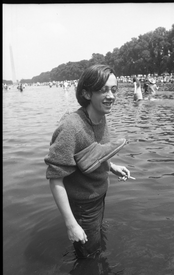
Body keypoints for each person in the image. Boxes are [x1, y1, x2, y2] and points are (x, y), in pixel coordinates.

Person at [44, 64, 132, 259]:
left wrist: (112, 167)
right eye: (103, 90)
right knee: (89, 256)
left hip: (99, 195)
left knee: (97, 244)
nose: (111, 96)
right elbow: (55, 179)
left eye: (113, 89)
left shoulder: (101, 116)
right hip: (83, 205)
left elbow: (93, 153)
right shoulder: (71, 128)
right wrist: (71, 224)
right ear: (86, 93)